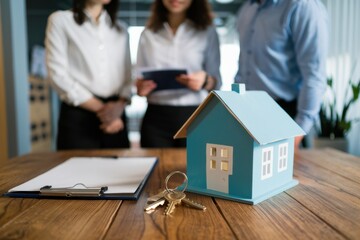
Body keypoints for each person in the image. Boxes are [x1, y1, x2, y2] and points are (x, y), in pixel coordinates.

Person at [235, 0, 329, 149]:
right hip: (248, 115)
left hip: (286, 117)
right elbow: (243, 67)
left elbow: (314, 76)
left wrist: (300, 130)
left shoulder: (302, 6)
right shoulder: (246, 9)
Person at [45, 0, 132, 150]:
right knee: (75, 171)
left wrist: (118, 107)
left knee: (119, 171)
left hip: (116, 113)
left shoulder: (121, 29)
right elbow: (58, 74)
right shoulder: (61, 20)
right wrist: (105, 111)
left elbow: (129, 76)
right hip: (79, 113)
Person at [136, 0, 222, 148]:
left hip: (196, 116)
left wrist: (205, 80)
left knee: (195, 170)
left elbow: (216, 81)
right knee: (155, 169)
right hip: (156, 118)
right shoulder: (148, 34)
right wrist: (140, 88)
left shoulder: (207, 32)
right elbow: (138, 77)